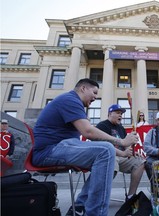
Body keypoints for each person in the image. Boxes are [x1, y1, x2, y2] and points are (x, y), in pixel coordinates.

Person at [33, 78, 138, 216]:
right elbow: (88, 132)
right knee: (106, 150)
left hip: (64, 147)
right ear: (83, 88)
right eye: (94, 92)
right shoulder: (70, 100)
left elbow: (92, 141)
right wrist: (122, 142)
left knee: (107, 151)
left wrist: (122, 153)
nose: (95, 97)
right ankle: (95, 212)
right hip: (50, 151)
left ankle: (80, 206)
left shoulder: (74, 104)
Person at [96, 104, 145, 199]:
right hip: (107, 156)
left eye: (121, 114)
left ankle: (131, 196)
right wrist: (123, 153)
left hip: (121, 157)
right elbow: (103, 146)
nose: (120, 116)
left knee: (140, 161)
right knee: (112, 160)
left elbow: (125, 145)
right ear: (110, 113)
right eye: (118, 113)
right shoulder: (102, 126)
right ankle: (100, 196)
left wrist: (131, 152)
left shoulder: (121, 128)